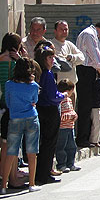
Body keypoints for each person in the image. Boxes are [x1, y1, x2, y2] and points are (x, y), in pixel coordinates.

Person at [0, 57, 41, 194]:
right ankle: (31, 183)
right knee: (31, 152)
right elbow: (34, 100)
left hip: (15, 118)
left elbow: (8, 101)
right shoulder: (34, 85)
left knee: (11, 152)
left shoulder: (9, 84)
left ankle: (4, 186)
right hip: (31, 117)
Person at [75, 21, 100, 148]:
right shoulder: (89, 35)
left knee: (88, 105)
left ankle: (88, 137)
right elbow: (96, 59)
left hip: (87, 71)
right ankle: (82, 138)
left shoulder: (89, 34)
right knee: (85, 105)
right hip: (85, 71)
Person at [34, 46, 65, 185]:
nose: (53, 60)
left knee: (43, 143)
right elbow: (53, 95)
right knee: (49, 143)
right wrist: (62, 95)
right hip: (49, 110)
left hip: (41, 109)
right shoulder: (47, 74)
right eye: (50, 57)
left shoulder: (39, 72)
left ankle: (40, 173)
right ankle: (45, 174)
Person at [51, 20, 85, 105]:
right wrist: (72, 63)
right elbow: (61, 64)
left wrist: (72, 58)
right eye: (61, 29)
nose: (64, 32)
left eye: (66, 29)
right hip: (60, 87)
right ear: (55, 31)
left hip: (72, 86)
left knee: (71, 114)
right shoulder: (52, 45)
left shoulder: (69, 44)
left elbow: (82, 58)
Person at [55, 78, 81, 172]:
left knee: (72, 146)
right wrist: (69, 116)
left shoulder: (69, 101)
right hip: (62, 127)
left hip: (70, 127)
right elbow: (62, 115)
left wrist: (74, 115)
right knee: (61, 146)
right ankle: (61, 164)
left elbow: (71, 111)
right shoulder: (60, 101)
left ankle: (71, 163)